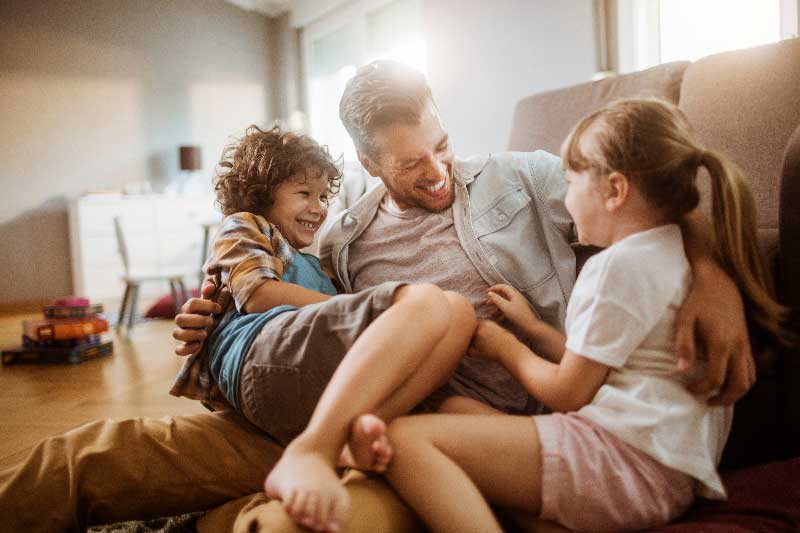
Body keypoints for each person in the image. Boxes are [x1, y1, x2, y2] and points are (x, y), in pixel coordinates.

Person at [0, 61, 754, 532]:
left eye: (442, 145)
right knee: (105, 454)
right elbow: (300, 319)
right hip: (381, 409)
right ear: (365, 162)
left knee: (313, 522)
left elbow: (658, 189)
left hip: (495, 441)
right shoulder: (341, 238)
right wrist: (219, 314)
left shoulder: (525, 176)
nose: (435, 171)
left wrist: (715, 273)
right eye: (409, 162)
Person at [381, 98, 792, 532]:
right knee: (457, 410)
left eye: (571, 180)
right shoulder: (672, 253)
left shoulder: (616, 266)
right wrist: (534, 329)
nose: (567, 195)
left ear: (614, 191)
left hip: (622, 464)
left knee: (404, 440)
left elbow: (568, 393)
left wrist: (506, 350)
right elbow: (596, 364)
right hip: (668, 474)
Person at [171, 124, 477, 532]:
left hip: (299, 379)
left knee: (456, 314)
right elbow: (259, 294)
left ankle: (343, 445)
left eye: (321, 197)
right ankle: (315, 451)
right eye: (303, 194)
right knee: (424, 303)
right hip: (259, 355)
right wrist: (365, 310)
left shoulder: (318, 264)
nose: (318, 208)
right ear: (260, 194)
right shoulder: (245, 226)